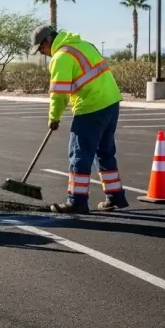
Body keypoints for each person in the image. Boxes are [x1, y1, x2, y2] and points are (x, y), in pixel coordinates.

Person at [31, 24, 129, 214]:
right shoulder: (84, 45)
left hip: (91, 106)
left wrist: (54, 117)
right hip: (111, 102)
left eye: (41, 49)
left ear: (48, 40)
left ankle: (76, 201)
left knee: (79, 154)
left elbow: (59, 93)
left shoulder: (61, 57)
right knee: (105, 151)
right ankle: (115, 196)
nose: (43, 53)